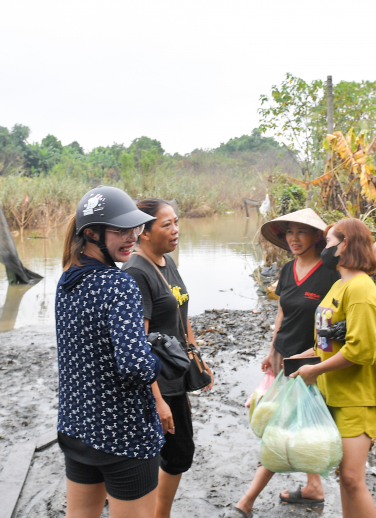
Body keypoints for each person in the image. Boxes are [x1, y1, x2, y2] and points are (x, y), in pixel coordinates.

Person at [55, 186, 164, 518]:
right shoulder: (118, 285)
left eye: (135, 228)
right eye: (120, 230)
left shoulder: (67, 281)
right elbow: (135, 367)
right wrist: (158, 360)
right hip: (124, 436)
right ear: (91, 232)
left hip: (76, 428)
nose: (133, 236)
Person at [226, 208, 339, 518]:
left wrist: (317, 358)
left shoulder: (331, 273)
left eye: (300, 232)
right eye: (289, 232)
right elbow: (283, 312)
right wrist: (272, 350)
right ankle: (314, 487)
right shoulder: (288, 270)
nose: (293, 238)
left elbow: (339, 319)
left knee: (280, 427)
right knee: (295, 422)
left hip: (311, 363)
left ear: (317, 236)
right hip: (284, 358)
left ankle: (246, 502)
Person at [291, 218, 376, 518]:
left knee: (352, 478)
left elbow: (360, 350)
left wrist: (316, 371)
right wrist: (305, 359)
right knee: (344, 477)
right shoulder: (339, 284)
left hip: (357, 397)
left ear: (345, 244)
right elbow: (329, 340)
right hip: (335, 394)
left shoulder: (360, 288)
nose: (325, 248)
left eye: (329, 242)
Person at [122, 198, 214, 518]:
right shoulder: (136, 272)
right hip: (153, 384)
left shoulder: (165, 261)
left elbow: (180, 309)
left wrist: (197, 358)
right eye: (167, 224)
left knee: (179, 455)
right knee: (160, 457)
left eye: (176, 222)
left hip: (174, 378)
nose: (176, 230)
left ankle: (159, 513)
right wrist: (157, 399)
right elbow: (135, 344)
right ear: (143, 232)